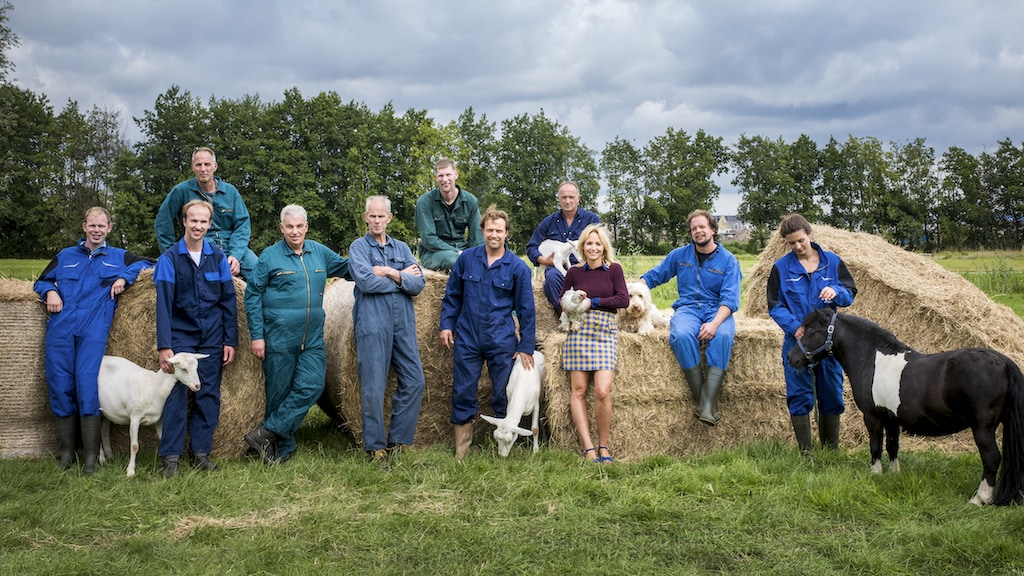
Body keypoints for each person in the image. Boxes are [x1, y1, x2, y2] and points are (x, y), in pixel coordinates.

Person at [34, 207, 153, 474]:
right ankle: (66, 455)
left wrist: (125, 276)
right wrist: (50, 291)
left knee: (87, 384)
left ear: (109, 228)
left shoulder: (119, 257)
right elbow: (41, 281)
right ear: (84, 227)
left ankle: (90, 457)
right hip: (61, 328)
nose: (97, 230)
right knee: (59, 383)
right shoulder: (65, 256)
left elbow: (149, 262)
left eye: (102, 226)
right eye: (92, 226)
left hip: (93, 329)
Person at [243, 204, 350, 464]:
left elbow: (349, 268)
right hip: (278, 335)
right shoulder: (269, 257)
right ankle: (283, 447)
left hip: (312, 336)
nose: (294, 231)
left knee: (313, 385)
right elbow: (252, 294)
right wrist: (257, 336)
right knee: (278, 392)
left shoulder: (320, 253)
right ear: (282, 228)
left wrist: (385, 266)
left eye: (299, 226)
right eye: (289, 226)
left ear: (306, 227)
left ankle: (264, 433)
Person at [439, 206, 536, 458]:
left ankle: (503, 443)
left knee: (502, 392)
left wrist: (526, 346)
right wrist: (446, 324)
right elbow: (452, 296)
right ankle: (463, 446)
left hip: (501, 340)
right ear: (482, 230)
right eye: (490, 229)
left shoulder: (518, 268)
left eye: (499, 230)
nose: (494, 234)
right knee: (463, 389)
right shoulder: (466, 259)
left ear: (506, 233)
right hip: (468, 337)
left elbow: (526, 310)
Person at [154, 200, 238, 477]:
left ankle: (201, 453)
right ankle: (171, 458)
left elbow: (228, 301)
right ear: (184, 222)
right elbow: (163, 305)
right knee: (176, 395)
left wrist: (230, 340)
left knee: (208, 393)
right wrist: (165, 345)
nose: (198, 226)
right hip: (181, 336)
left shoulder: (217, 257)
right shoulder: (169, 259)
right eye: (194, 221)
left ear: (209, 224)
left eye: (204, 222)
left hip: (212, 336)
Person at [640, 209, 741, 426]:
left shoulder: (729, 261)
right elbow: (656, 275)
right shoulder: (680, 255)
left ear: (713, 229)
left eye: (702, 227)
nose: (698, 231)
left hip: (717, 310)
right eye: (694, 228)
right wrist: (634, 287)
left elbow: (730, 300)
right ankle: (706, 404)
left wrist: (714, 324)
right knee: (681, 334)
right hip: (688, 308)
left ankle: (704, 404)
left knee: (722, 337)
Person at [766, 214, 857, 452]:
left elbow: (850, 293)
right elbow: (774, 305)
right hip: (797, 340)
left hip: (827, 342)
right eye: (791, 243)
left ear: (809, 234)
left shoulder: (833, 262)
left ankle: (831, 449)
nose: (797, 246)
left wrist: (836, 291)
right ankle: (806, 451)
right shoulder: (780, 268)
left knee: (831, 391)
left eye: (800, 241)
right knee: (798, 393)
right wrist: (794, 327)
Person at [349, 195, 427, 467]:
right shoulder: (358, 247)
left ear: (389, 218)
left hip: (403, 323)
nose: (377, 220)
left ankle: (397, 440)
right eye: (372, 216)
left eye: (382, 216)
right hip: (372, 323)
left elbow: (420, 284)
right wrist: (402, 277)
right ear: (365, 217)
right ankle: (376, 447)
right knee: (373, 386)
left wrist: (388, 272)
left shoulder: (402, 247)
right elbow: (366, 283)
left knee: (415, 381)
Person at [559, 224, 629, 463]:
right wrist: (571, 302)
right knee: (578, 391)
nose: (593, 247)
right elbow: (563, 299)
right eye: (589, 243)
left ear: (604, 247)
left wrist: (594, 302)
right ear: (582, 247)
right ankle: (588, 448)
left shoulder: (614, 270)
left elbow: (623, 299)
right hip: (578, 332)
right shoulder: (575, 273)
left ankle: (603, 446)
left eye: (597, 243)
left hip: (604, 332)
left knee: (602, 391)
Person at [155, 146, 258, 280]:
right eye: (198, 165)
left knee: (258, 272)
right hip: (200, 243)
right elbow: (163, 222)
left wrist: (236, 255)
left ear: (215, 166)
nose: (203, 169)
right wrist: (170, 253)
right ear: (193, 167)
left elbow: (242, 225)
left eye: (207, 164)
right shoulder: (181, 191)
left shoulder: (231, 192)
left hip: (231, 244)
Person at [527, 181, 601, 313]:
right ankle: (564, 313)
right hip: (556, 268)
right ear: (559, 199)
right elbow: (532, 246)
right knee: (551, 278)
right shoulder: (549, 222)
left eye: (571, 197)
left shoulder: (591, 220)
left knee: (597, 280)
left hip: (585, 266)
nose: (567, 201)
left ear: (578, 198)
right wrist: (543, 261)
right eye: (564, 197)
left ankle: (586, 313)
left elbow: (602, 245)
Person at [414, 158, 483, 271]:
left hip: (462, 248)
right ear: (436, 178)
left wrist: (476, 255)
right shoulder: (425, 202)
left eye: (448, 175)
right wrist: (457, 252)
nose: (444, 179)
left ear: (456, 175)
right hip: (434, 253)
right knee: (454, 260)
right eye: (440, 176)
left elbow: (477, 237)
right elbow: (428, 239)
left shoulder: (471, 201)